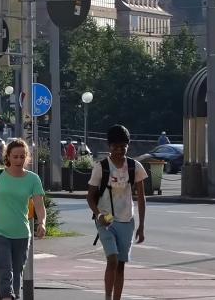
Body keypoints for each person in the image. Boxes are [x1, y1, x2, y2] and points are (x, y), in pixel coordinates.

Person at [0, 139, 47, 300]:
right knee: (4, 271)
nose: (18, 160)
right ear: (7, 156)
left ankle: (11, 296)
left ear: (26, 157)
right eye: (15, 156)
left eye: (22, 157)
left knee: (16, 275)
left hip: (21, 234)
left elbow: (39, 206)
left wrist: (42, 223)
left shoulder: (33, 179)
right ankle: (7, 297)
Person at [87, 124, 148, 300]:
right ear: (109, 146)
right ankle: (108, 296)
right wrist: (99, 214)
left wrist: (141, 226)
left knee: (120, 265)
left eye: (123, 146)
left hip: (127, 220)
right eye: (116, 147)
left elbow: (141, 198)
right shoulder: (101, 167)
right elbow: (90, 197)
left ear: (128, 146)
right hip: (106, 219)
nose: (120, 150)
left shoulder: (134, 167)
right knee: (112, 260)